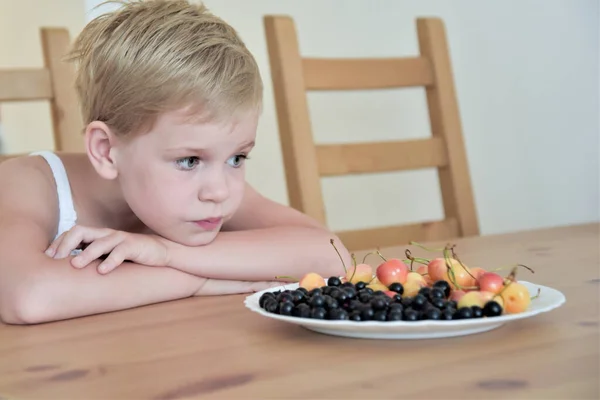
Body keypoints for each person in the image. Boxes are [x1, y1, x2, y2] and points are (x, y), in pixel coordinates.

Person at [0, 0, 351, 325]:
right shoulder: (27, 185)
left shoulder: (211, 186)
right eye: (188, 160)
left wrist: (165, 253)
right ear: (106, 151)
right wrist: (196, 279)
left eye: (237, 157)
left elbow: (331, 255)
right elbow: (29, 295)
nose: (220, 191)